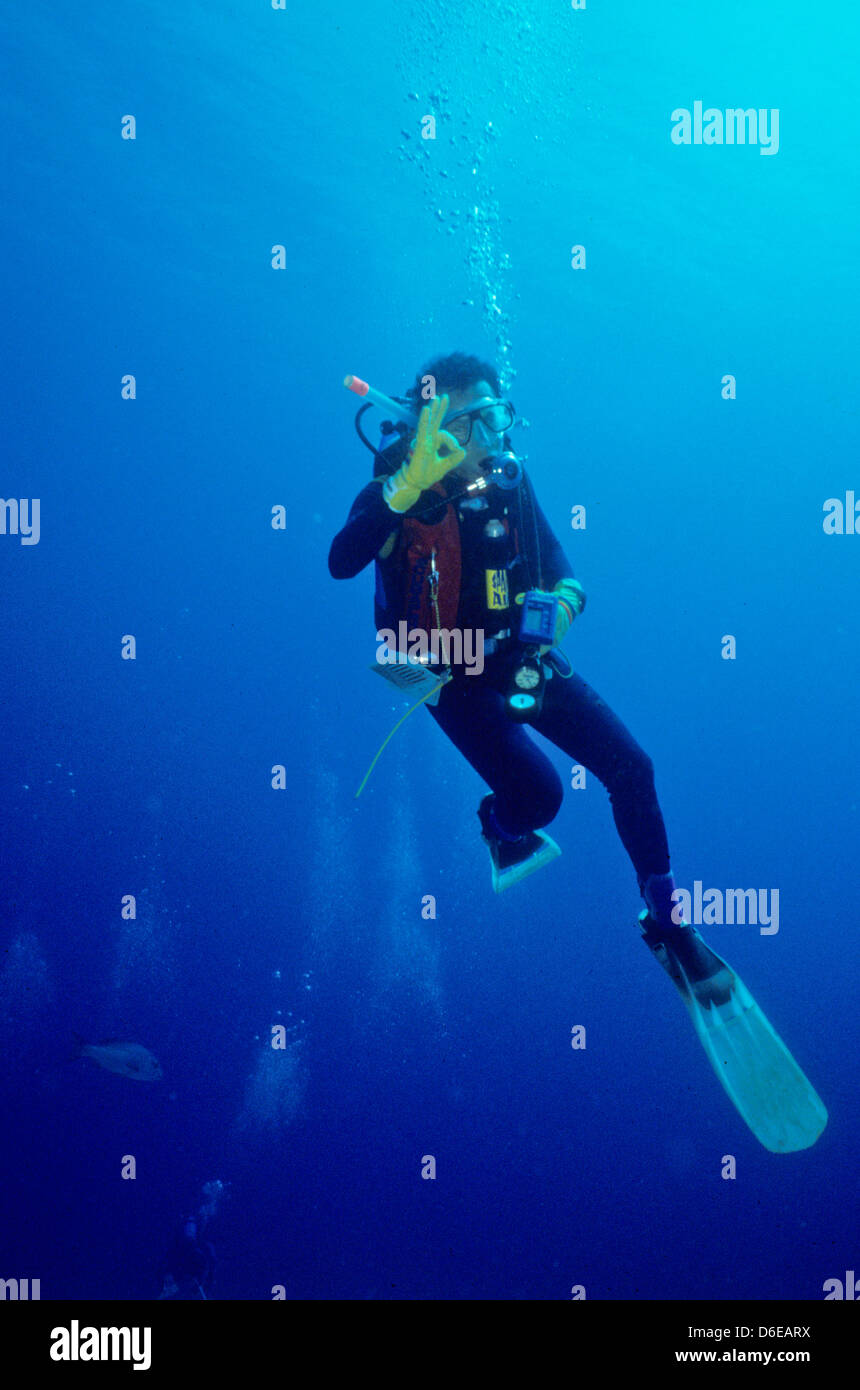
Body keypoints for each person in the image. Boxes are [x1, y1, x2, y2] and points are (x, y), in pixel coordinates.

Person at [328, 351, 828, 1151]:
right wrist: (406, 483)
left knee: (634, 767)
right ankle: (499, 823)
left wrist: (561, 606)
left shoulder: (511, 481)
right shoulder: (396, 479)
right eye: (477, 417)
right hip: (444, 675)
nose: (496, 430)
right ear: (434, 419)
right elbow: (341, 559)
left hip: (514, 654)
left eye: (500, 414)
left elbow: (563, 571)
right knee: (542, 802)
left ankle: (667, 923)